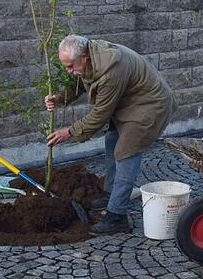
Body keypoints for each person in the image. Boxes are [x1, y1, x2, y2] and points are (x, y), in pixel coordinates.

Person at [45, 35, 177, 235]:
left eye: (70, 66)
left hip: (150, 107)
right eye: (65, 66)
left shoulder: (110, 71)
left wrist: (69, 132)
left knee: (125, 152)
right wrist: (60, 98)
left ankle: (117, 217)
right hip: (128, 103)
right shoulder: (89, 56)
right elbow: (80, 81)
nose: (68, 71)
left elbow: (100, 114)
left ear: (84, 57)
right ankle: (111, 194)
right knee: (112, 140)